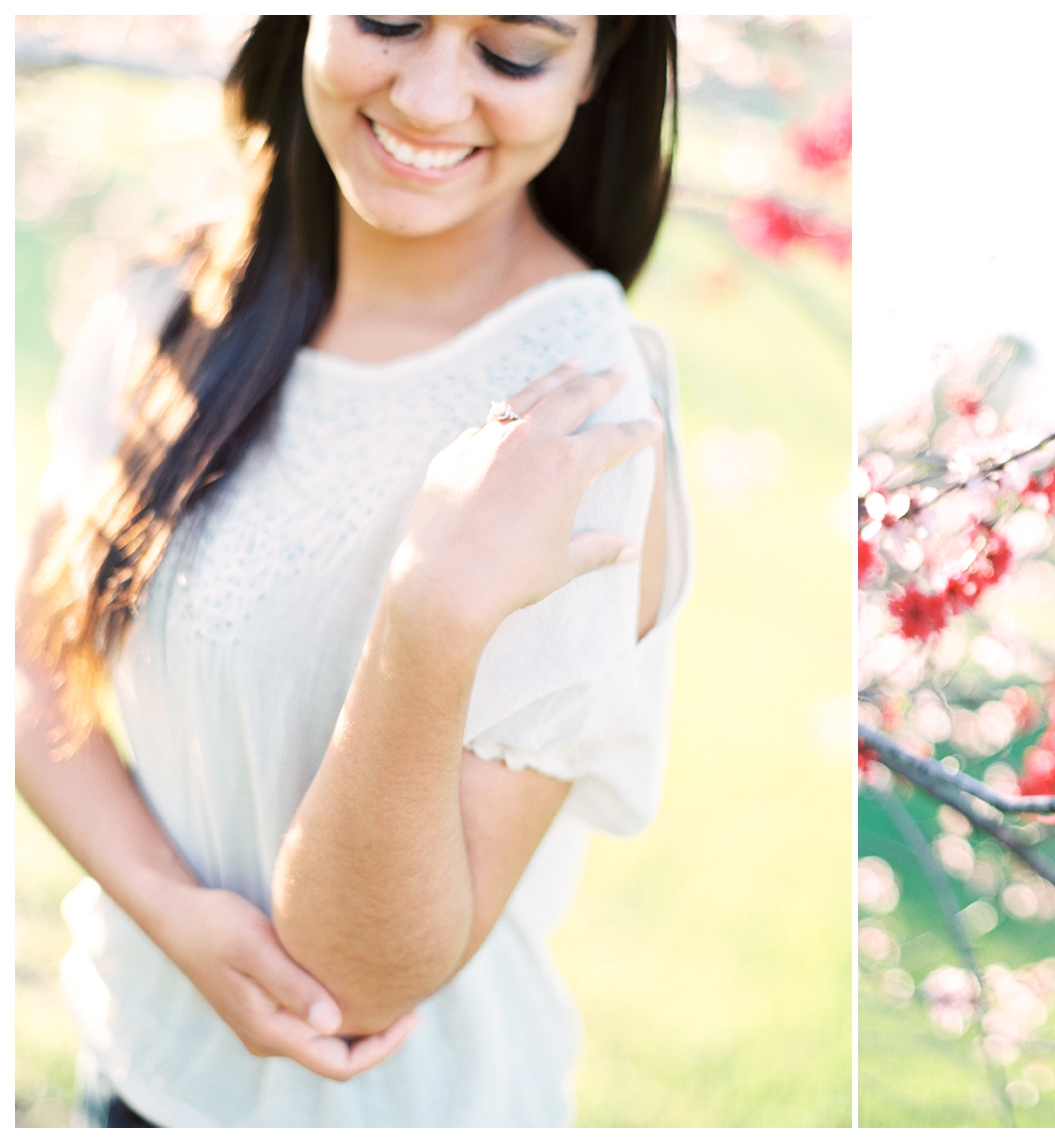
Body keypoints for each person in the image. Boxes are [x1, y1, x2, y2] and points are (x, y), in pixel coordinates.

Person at [15, 15, 689, 1127]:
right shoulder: (172, 300)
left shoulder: (583, 420)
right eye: (386, 17)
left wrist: (431, 610)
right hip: (134, 1070)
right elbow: (32, 664)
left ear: (592, 75)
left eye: (511, 52)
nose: (427, 99)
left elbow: (355, 981)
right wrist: (170, 910)